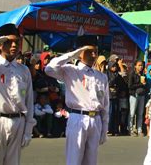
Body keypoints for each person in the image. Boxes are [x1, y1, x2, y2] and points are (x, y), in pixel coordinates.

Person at [45, 35, 109, 165]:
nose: (93, 55)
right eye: (89, 51)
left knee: (91, 161)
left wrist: (104, 128)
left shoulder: (101, 76)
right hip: (77, 118)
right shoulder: (70, 71)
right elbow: (49, 68)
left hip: (95, 119)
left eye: (95, 51)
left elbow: (105, 105)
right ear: (80, 53)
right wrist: (73, 54)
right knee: (74, 160)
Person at [0, 23, 36, 164]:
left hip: (18, 121)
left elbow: (29, 101)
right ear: (0, 43)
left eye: (17, 42)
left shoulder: (24, 70)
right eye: (8, 42)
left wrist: (28, 130)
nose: (14, 46)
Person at [128, 60, 147, 136]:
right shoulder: (132, 74)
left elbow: (144, 85)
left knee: (140, 113)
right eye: (139, 65)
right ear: (135, 66)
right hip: (134, 95)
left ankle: (139, 129)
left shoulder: (143, 74)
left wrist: (144, 84)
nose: (141, 67)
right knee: (132, 113)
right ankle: (130, 129)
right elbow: (130, 86)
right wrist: (140, 84)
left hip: (142, 95)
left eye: (142, 65)